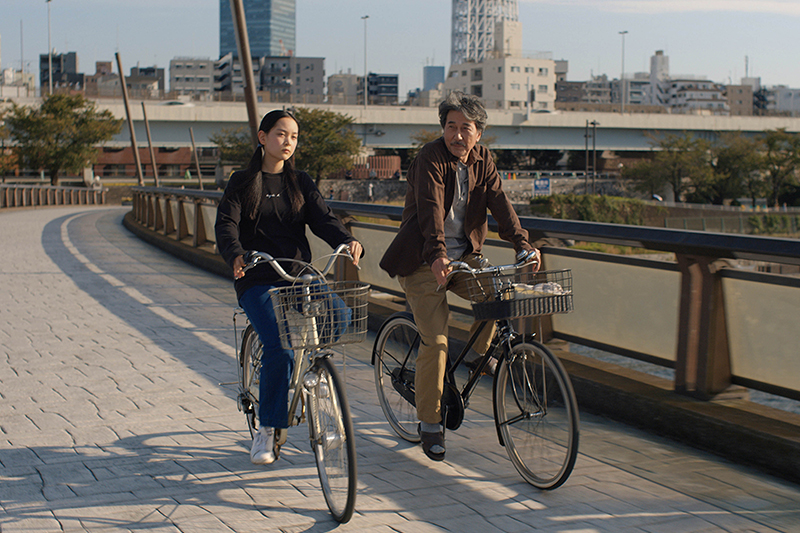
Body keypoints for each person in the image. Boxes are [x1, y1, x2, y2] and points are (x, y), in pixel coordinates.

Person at [379, 91, 539, 462]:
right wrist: (436, 256)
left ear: (478, 133)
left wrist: (522, 243)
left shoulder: (483, 160)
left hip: (464, 257)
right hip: (423, 261)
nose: (456, 135)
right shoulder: (429, 158)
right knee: (435, 341)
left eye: (465, 128)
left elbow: (500, 202)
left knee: (498, 294)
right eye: (451, 126)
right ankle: (430, 424)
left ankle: (477, 357)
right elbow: (431, 210)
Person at [215, 110, 363, 465]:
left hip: (299, 275)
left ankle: (311, 374)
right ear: (263, 138)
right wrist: (235, 254)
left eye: (294, 136)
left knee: (341, 318)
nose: (288, 142)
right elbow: (226, 224)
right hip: (258, 277)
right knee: (278, 348)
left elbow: (324, 219)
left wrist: (347, 240)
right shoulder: (241, 181)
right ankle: (267, 429)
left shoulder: (301, 182)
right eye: (281, 134)